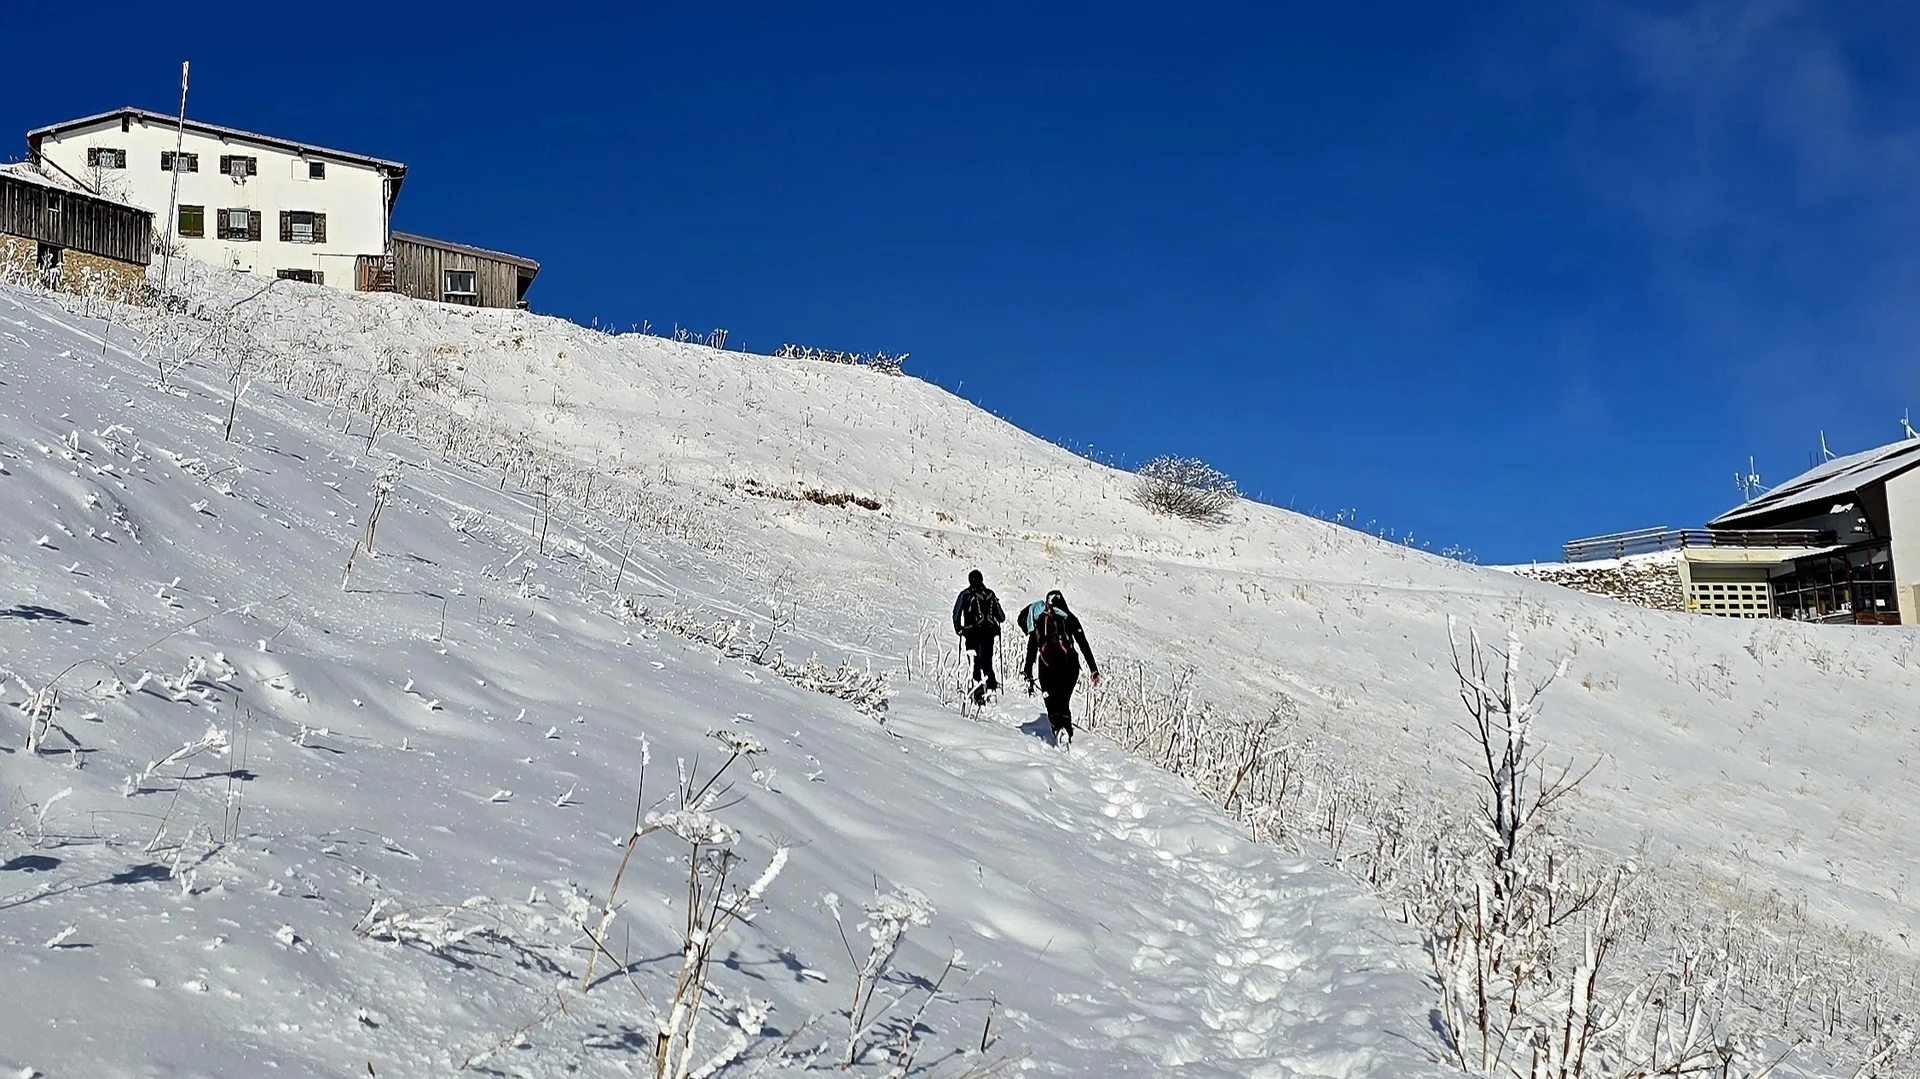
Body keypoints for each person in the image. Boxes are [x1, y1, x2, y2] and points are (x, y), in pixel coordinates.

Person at [1023, 590, 1099, 744]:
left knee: (1052, 702)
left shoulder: (1039, 619)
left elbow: (1031, 649)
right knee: (1063, 701)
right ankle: (1066, 733)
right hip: (1070, 665)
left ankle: (1059, 730)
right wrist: (1093, 669)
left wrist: (1028, 671)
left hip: (1047, 666)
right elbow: (1083, 643)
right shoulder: (1069, 618)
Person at [952, 569, 1006, 704]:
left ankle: (978, 693)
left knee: (974, 663)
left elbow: (956, 613)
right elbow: (1001, 617)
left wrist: (959, 629)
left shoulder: (965, 594)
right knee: (987, 663)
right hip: (989, 634)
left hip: (971, 634)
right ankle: (992, 691)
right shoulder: (990, 594)